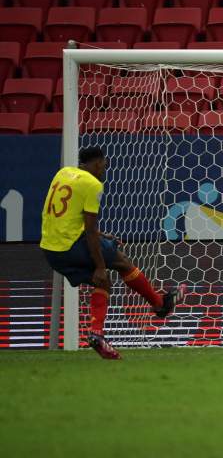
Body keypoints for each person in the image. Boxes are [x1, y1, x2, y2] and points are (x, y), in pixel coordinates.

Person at [40, 146, 185, 359]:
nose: (104, 171)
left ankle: (97, 334)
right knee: (121, 261)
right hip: (71, 245)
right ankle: (160, 305)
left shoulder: (62, 173)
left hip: (51, 250)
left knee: (103, 282)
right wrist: (99, 265)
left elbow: (67, 217)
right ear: (98, 163)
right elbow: (89, 230)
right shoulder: (93, 184)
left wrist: (101, 235)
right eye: (104, 166)